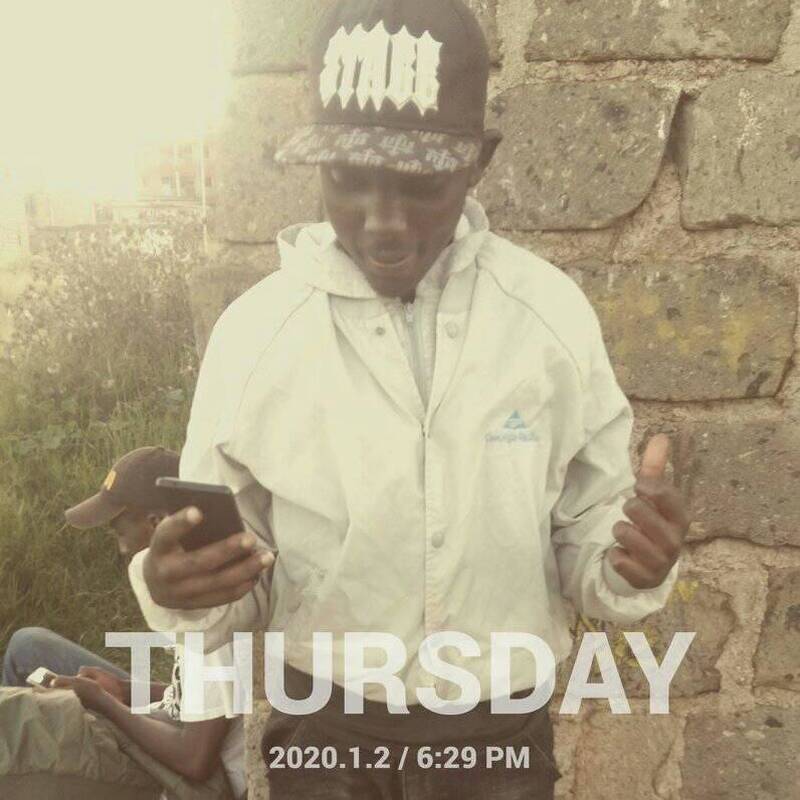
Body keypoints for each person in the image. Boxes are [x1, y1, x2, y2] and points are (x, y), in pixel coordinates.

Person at [129, 1, 691, 798]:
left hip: (497, 739)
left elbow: (588, 536)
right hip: (325, 734)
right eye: (346, 179)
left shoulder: (547, 320)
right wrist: (178, 590)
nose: (383, 223)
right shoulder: (256, 338)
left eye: (420, 184)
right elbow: (234, 573)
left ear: (478, 163)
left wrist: (630, 566)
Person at [0, 447, 246, 799]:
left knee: (13, 736)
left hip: (191, 782)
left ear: (157, 523)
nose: (121, 549)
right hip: (173, 726)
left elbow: (196, 761)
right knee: (28, 648)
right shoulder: (201, 586)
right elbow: (207, 699)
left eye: (119, 532)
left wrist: (104, 702)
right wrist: (123, 689)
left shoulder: (212, 612)